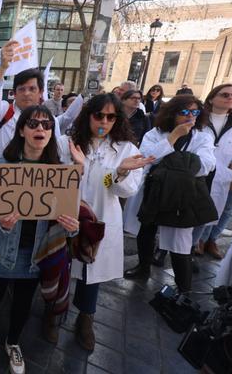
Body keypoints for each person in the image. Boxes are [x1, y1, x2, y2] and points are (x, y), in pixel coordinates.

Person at [0, 106, 82, 373]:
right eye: (33, 123)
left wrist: (72, 226)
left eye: (47, 125)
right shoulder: (1, 167)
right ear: (21, 130)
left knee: (23, 303)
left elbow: (69, 218)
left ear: (52, 133)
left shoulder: (61, 172)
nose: (40, 129)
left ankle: (13, 342)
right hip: (1, 249)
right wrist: (0, 221)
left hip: (36, 254)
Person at [58, 93, 152, 351]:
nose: (104, 121)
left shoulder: (125, 149)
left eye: (111, 116)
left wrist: (119, 172)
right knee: (61, 264)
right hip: (68, 212)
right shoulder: (69, 143)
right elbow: (57, 179)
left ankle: (85, 318)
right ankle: (55, 311)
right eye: (99, 115)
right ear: (88, 115)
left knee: (91, 268)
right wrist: (77, 168)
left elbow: (120, 189)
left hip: (101, 215)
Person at [124, 95, 215, 294]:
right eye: (184, 112)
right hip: (154, 191)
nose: (190, 116)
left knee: (179, 242)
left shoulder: (203, 137)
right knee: (146, 230)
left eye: (194, 112)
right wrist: (172, 139)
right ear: (172, 113)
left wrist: (169, 162)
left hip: (182, 195)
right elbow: (147, 159)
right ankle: (143, 267)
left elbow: (206, 166)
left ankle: (184, 288)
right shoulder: (155, 133)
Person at [0, 41, 83, 163]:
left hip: (36, 180)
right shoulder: (3, 112)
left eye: (32, 89)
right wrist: (2, 68)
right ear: (14, 93)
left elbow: (56, 151)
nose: (26, 93)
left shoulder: (51, 121)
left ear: (41, 92)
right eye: (21, 89)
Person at [192, 84, 232, 259]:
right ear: (212, 98)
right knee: (189, 208)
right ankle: (179, 247)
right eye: (225, 94)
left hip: (222, 173)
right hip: (197, 171)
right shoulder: (199, 118)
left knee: (212, 210)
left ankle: (199, 243)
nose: (231, 98)